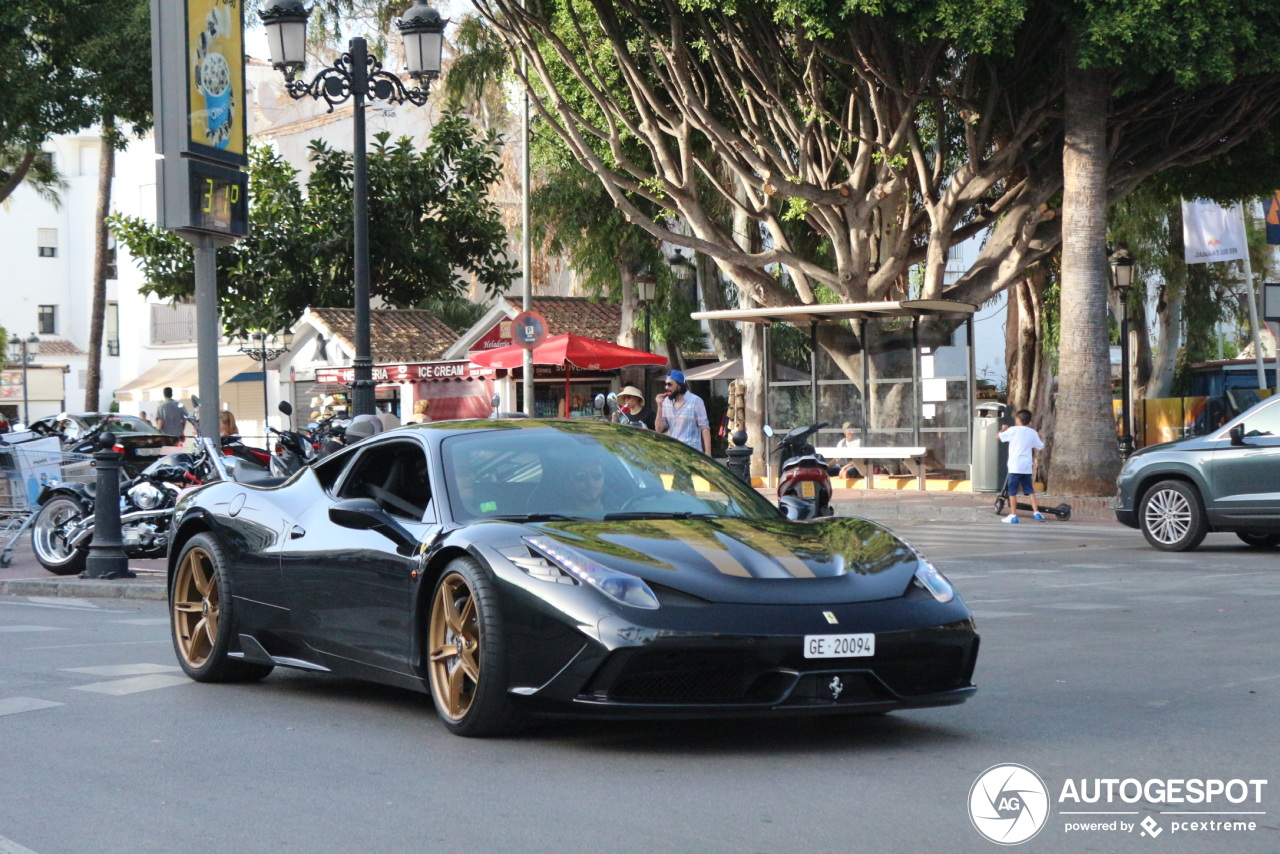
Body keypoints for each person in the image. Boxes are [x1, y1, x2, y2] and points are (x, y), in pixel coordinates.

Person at [998, 408, 1046, 522]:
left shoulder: (1013, 430)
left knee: (1012, 491)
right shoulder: (1032, 432)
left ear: (1018, 419)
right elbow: (1041, 446)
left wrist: (1002, 429)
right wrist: (1039, 437)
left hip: (1015, 466)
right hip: (1026, 467)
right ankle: (1036, 512)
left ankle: (1013, 515)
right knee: (1030, 490)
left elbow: (998, 437)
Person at [654, 370, 711, 454]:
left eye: (669, 384)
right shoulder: (666, 402)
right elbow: (659, 429)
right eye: (665, 384)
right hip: (673, 452)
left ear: (679, 385)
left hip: (691, 452)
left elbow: (705, 428)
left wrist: (708, 453)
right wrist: (659, 406)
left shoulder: (696, 401)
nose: (666, 387)